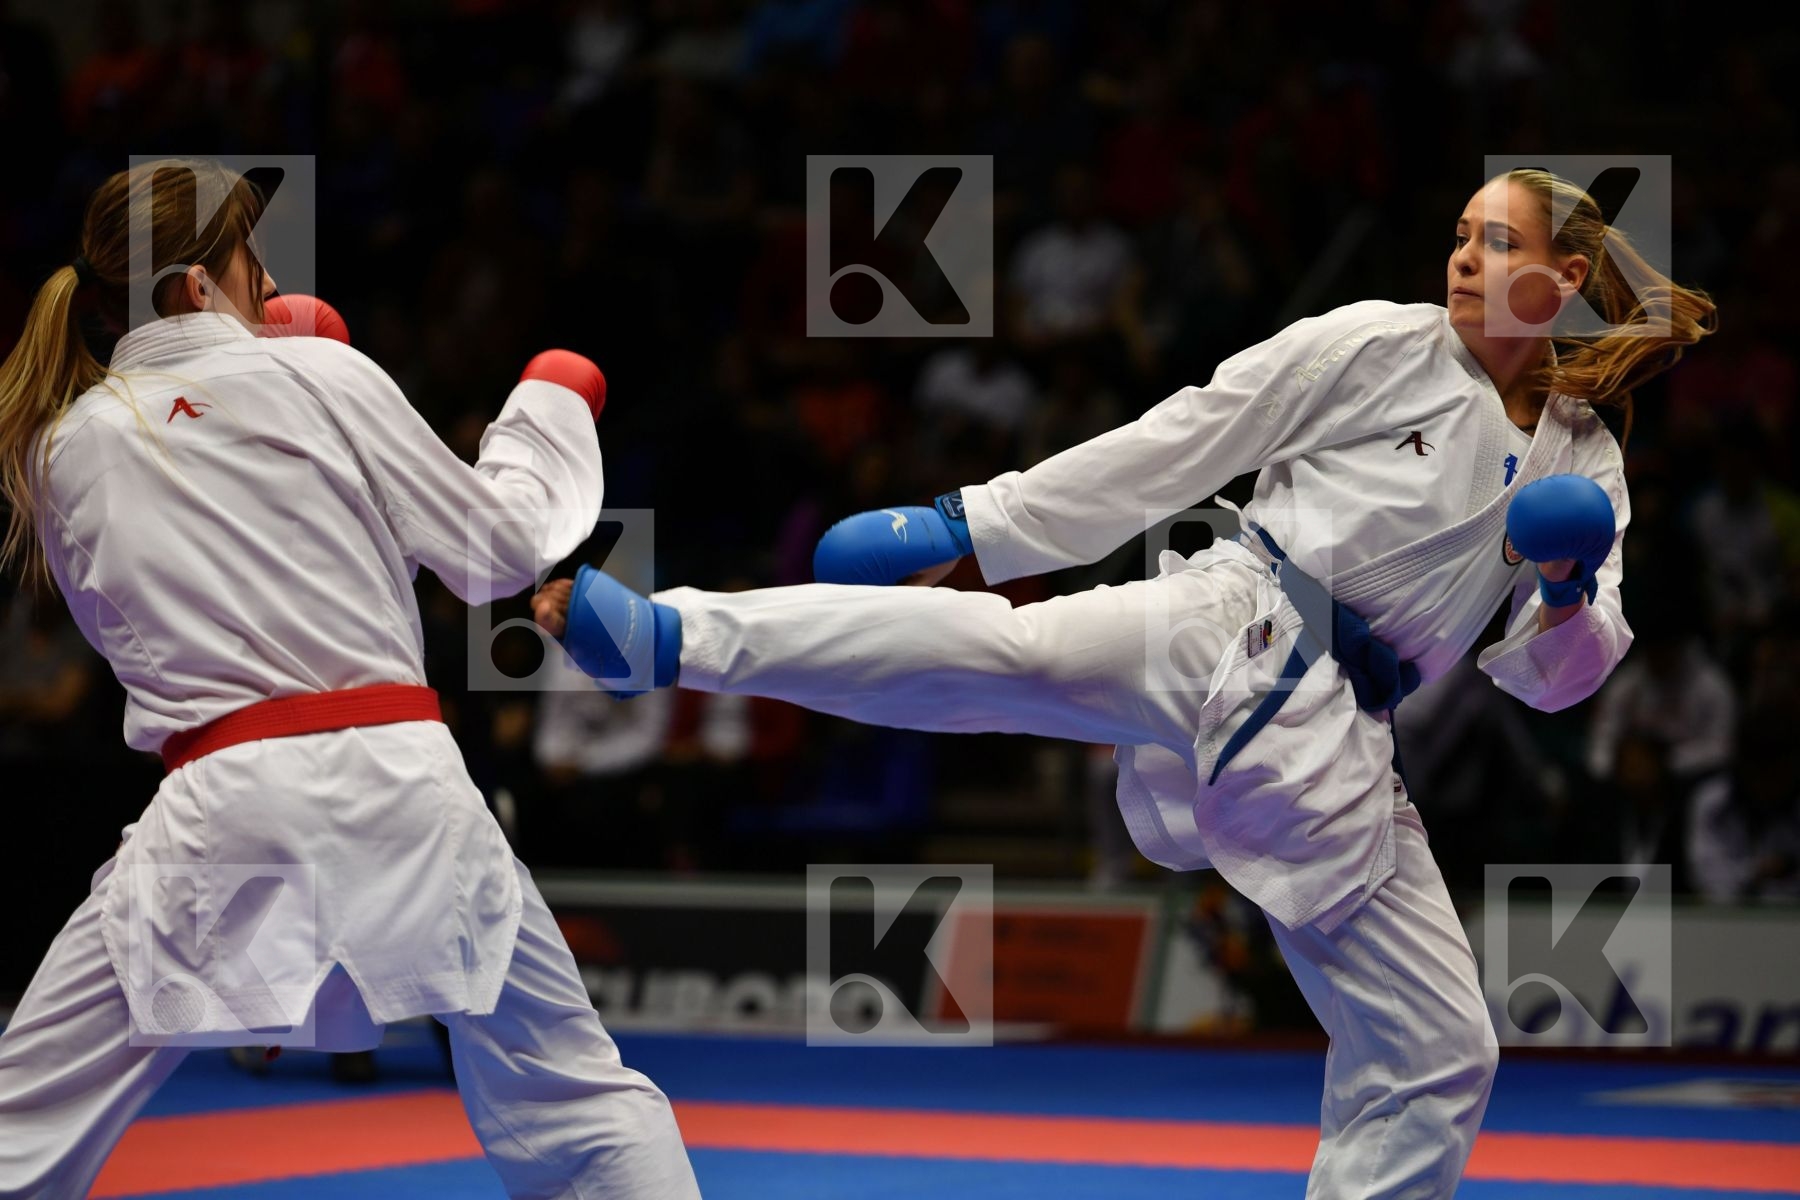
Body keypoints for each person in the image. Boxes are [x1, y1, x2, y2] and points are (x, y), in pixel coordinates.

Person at [536, 168, 1716, 1197]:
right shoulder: (1379, 341)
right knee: (1010, 654)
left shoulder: (1585, 455)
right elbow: (1183, 438)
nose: (1464, 255)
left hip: (1342, 739)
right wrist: (975, 525)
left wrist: (1566, 588)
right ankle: (669, 635)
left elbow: (1563, 681)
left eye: (1497, 241)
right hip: (1236, 614)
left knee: (1443, 1051)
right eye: (1461, 233)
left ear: (1562, 279)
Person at [0, 160, 699, 1199]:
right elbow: (499, 552)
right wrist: (548, 410)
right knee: (580, 1104)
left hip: (219, 805)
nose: (271, 283)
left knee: (23, 1123)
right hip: (407, 790)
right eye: (254, 262)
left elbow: (126, 634)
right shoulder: (327, 376)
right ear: (199, 286)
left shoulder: (60, 448)